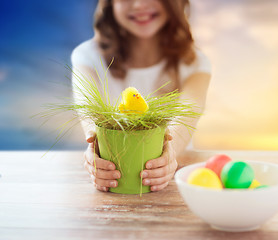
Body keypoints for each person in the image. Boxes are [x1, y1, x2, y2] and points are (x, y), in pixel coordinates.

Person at [71, 0, 211, 192]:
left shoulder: (194, 62)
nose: (138, 5)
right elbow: (87, 111)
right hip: (116, 181)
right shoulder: (87, 56)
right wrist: (94, 149)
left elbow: (189, 111)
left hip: (175, 181)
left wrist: (168, 155)